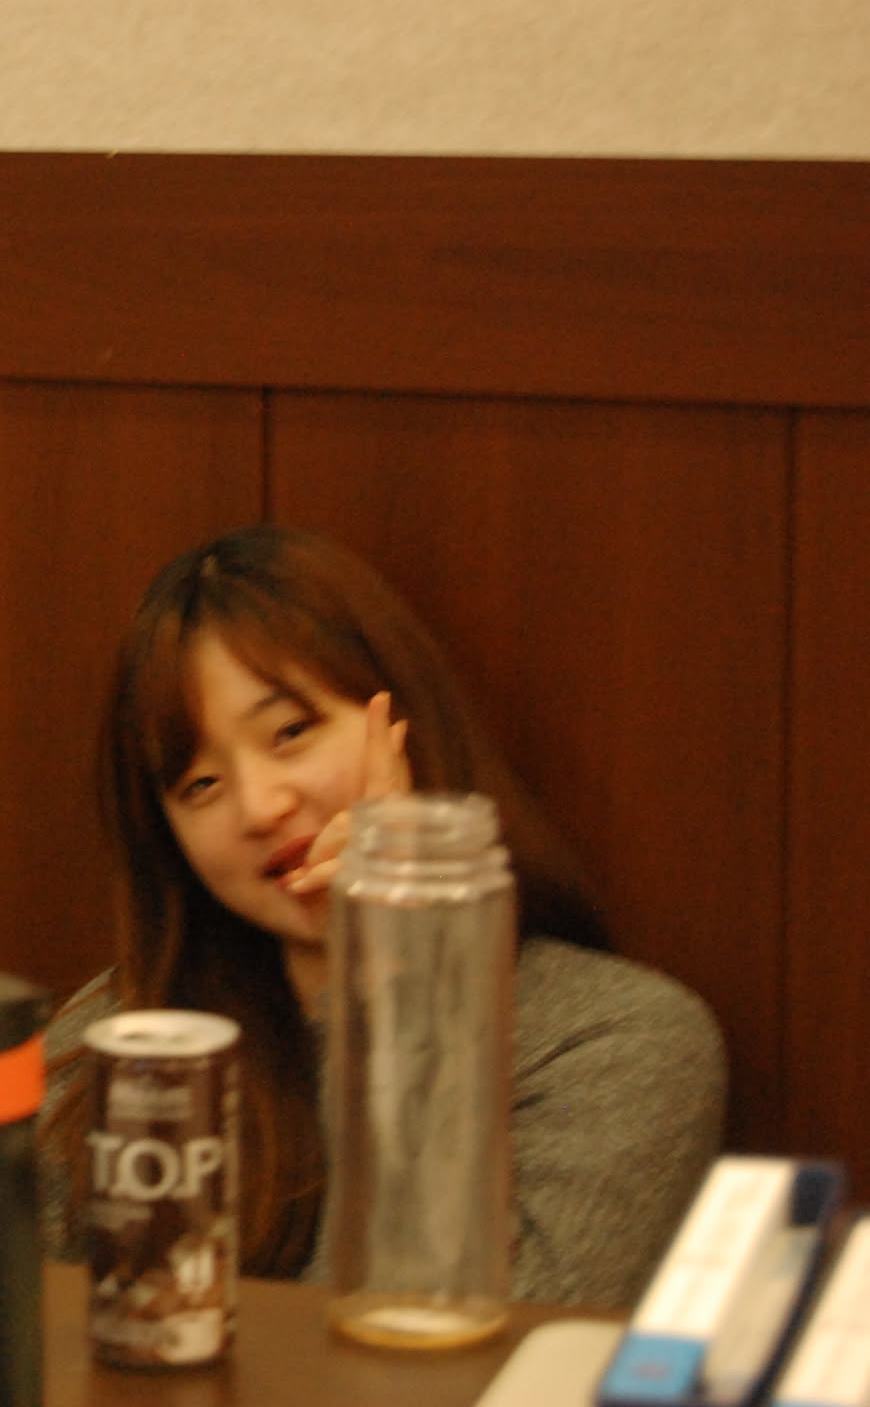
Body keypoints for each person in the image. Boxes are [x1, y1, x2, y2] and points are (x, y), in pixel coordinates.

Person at [38, 522, 725, 1309]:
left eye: (291, 733)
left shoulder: (615, 1039)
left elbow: (436, 1338)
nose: (260, 806)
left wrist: (397, 960)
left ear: (404, 719)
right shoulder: (118, 1044)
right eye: (200, 785)